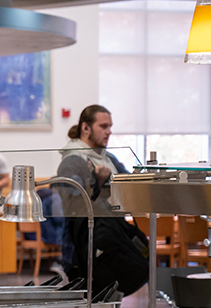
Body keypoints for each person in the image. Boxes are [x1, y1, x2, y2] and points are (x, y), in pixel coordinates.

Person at [57, 104, 148, 295]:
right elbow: (74, 203)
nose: (109, 132)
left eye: (110, 126)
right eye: (103, 126)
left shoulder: (110, 159)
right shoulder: (72, 160)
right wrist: (97, 183)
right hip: (83, 250)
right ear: (85, 127)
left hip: (110, 242)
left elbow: (129, 185)